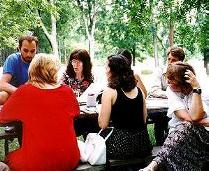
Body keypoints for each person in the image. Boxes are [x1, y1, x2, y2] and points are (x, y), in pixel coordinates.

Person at [0, 53, 80, 171]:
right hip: (69, 159)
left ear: (32, 70)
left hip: (38, 163)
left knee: (10, 158)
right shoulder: (67, 91)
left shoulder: (24, 92)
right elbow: (76, 111)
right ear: (54, 71)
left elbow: (3, 117)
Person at [140, 62, 209, 171]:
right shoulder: (170, 91)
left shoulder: (198, 90)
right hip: (177, 136)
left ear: (183, 83)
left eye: (171, 81)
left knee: (186, 126)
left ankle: (154, 164)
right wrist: (203, 120)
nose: (167, 83)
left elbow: (194, 118)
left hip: (202, 137)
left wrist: (196, 88)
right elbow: (186, 117)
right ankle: (156, 164)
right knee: (183, 133)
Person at [98, 54, 152, 160]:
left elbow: (103, 125)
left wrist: (100, 109)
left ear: (113, 71)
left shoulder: (109, 92)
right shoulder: (140, 91)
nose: (105, 71)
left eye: (106, 67)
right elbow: (144, 119)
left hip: (121, 147)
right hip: (143, 145)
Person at [148, 46, 186, 145]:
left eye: (174, 60)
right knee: (160, 117)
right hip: (160, 107)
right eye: (169, 59)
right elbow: (154, 90)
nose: (170, 62)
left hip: (178, 107)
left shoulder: (184, 72)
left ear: (181, 62)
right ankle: (161, 144)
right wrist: (172, 93)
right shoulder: (160, 71)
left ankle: (175, 141)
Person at [0, 35, 38, 105]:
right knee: (3, 96)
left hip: (33, 95)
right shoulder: (13, 59)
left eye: (32, 51)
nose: (29, 54)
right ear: (19, 48)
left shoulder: (39, 61)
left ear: (36, 49)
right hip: (13, 93)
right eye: (25, 50)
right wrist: (21, 93)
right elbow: (2, 84)